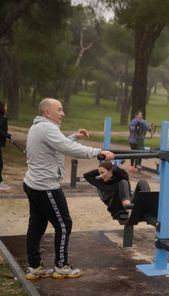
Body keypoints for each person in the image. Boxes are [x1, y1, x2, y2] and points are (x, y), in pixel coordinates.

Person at [23, 98, 114, 280]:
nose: (63, 113)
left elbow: (58, 144)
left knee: (37, 225)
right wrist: (98, 152)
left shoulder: (39, 127)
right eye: (60, 109)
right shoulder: (47, 128)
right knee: (64, 225)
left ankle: (34, 266)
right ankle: (62, 266)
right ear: (47, 112)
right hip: (45, 187)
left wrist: (73, 136)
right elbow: (66, 147)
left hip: (33, 184)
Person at [84, 161, 151, 217]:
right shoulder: (100, 183)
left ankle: (148, 206)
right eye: (99, 173)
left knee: (142, 182)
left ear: (111, 171)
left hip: (130, 203)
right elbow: (86, 175)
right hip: (115, 206)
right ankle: (128, 209)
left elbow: (118, 171)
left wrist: (109, 167)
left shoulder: (121, 177)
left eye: (102, 173)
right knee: (123, 182)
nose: (100, 176)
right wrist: (101, 168)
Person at [0, 100, 11, 190]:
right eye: (5, 106)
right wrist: (7, 135)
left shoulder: (2, 117)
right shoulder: (1, 118)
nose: (6, 108)